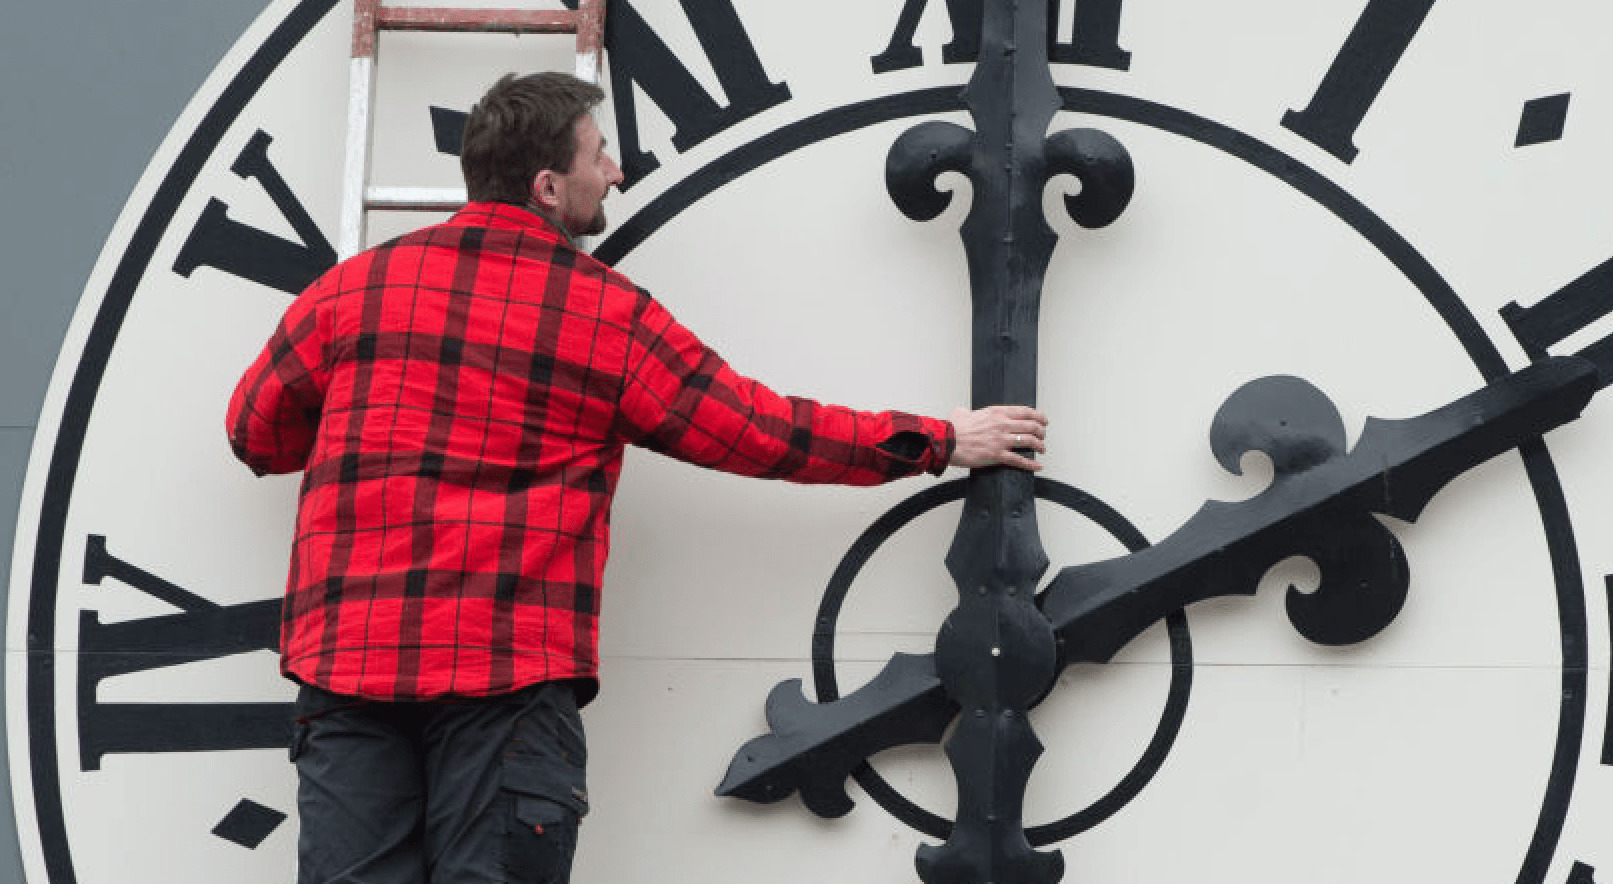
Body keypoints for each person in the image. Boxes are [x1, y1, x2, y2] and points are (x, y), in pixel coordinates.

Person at [225, 71, 1047, 884]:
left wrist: (375, 437)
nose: (614, 170)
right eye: (598, 155)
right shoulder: (602, 316)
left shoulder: (350, 291)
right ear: (548, 187)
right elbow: (757, 432)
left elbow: (254, 432)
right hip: (506, 686)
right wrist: (938, 441)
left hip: (349, 673)